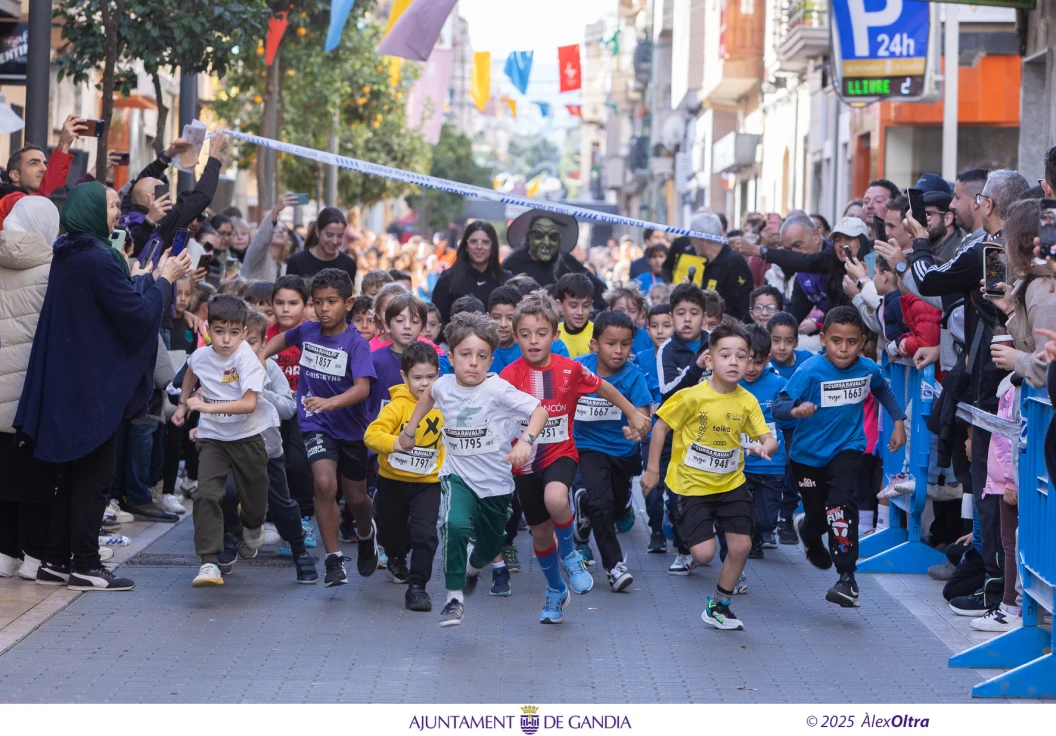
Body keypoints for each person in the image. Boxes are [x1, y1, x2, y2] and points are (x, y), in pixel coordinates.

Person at [15, 181, 192, 591]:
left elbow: (119, 304)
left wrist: (145, 280)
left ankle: (56, 561)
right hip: (90, 391)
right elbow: (135, 316)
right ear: (93, 211)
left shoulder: (71, 253)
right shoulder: (95, 258)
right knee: (94, 481)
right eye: (111, 206)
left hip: (70, 384)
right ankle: (86, 565)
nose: (117, 214)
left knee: (72, 478)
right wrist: (164, 280)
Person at [907, 169, 1030, 616]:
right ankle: (989, 571)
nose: (961, 207)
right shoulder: (1001, 248)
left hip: (996, 382)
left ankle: (998, 586)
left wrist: (919, 243)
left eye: (965, 198)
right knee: (986, 480)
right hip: (992, 379)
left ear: (987, 203)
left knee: (992, 483)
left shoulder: (989, 247)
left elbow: (928, 280)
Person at [500, 292, 652, 621]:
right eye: (524, 335)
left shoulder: (570, 369)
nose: (533, 341)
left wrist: (632, 414)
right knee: (540, 533)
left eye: (541, 334)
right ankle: (556, 590)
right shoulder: (509, 377)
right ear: (515, 338)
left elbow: (605, 388)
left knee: (557, 498)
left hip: (561, 452)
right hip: (524, 465)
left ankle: (570, 555)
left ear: (555, 335)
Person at [397, 312, 549, 627]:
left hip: (496, 485)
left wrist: (525, 442)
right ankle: (453, 598)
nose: (473, 363)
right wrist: (410, 430)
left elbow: (539, 410)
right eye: (465, 355)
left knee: (491, 546)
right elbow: (428, 395)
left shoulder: (497, 390)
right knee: (453, 524)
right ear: (450, 357)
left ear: (491, 359)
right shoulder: (444, 386)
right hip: (458, 477)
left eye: (482, 356)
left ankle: (471, 569)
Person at [642, 322, 778, 631]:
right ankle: (676, 514)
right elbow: (661, 426)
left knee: (741, 546)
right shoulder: (692, 397)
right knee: (703, 554)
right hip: (691, 486)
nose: (734, 362)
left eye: (741, 356)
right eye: (726, 355)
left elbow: (766, 436)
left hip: (731, 483)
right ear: (709, 359)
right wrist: (652, 470)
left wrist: (764, 447)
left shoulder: (747, 401)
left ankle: (719, 605)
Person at [772, 306, 907, 608]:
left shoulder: (867, 368)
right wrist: (795, 410)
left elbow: (882, 389)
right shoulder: (809, 372)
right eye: (836, 341)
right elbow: (778, 406)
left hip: (847, 449)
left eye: (850, 342)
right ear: (822, 339)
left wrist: (898, 421)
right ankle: (808, 530)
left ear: (862, 342)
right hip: (806, 457)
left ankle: (847, 577)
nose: (843, 349)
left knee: (840, 507)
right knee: (819, 518)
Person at [259, 268, 378, 588]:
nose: (324, 309)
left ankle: (367, 535)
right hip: (315, 423)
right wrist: (262, 356)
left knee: (356, 497)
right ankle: (333, 559)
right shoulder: (308, 331)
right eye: (318, 302)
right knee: (324, 484)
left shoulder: (356, 343)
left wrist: (333, 402)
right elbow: (284, 337)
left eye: (332, 302)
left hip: (351, 428)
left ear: (348, 303)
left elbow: (363, 388)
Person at [171, 295, 270, 587]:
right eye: (219, 331)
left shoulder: (245, 358)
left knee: (255, 501)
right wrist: (182, 405)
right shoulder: (202, 355)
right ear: (207, 329)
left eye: (234, 332)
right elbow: (191, 370)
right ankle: (209, 562)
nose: (226, 340)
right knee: (205, 495)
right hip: (212, 437)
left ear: (242, 331)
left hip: (246, 437)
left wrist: (205, 407)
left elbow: (249, 403)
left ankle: (252, 525)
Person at [0, 197, 60, 581]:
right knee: (37, 477)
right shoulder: (53, 268)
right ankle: (35, 556)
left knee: (3, 475)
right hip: (33, 392)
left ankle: (5, 553)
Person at [573, 311, 653, 591]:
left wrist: (638, 430)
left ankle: (584, 509)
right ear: (594, 345)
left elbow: (643, 417)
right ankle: (614, 566)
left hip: (622, 452)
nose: (618, 351)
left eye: (626, 344)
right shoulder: (578, 369)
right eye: (611, 343)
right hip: (586, 447)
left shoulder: (634, 377)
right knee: (601, 503)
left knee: (616, 508)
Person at [363, 341, 445, 612]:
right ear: (404, 377)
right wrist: (396, 443)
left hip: (428, 483)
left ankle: (418, 588)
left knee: (425, 534)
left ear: (439, 375)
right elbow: (372, 435)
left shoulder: (445, 404)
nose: (424, 384)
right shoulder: (397, 406)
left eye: (430, 377)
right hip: (392, 481)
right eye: (417, 378)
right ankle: (394, 553)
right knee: (392, 533)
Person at [119, 135, 226, 257]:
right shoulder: (163, 222)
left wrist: (166, 156)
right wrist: (214, 155)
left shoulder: (124, 212)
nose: (168, 200)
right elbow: (200, 198)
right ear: (151, 199)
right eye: (163, 194)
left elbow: (138, 183)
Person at [739, 325, 790, 555]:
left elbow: (789, 418)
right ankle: (749, 539)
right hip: (740, 464)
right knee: (741, 508)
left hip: (771, 463)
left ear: (767, 359)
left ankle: (760, 533)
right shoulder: (731, 382)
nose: (750, 369)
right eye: (746, 360)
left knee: (768, 519)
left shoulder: (779, 384)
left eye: (757, 362)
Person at [501, 209, 607, 310]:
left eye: (552, 236)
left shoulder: (566, 263)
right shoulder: (513, 263)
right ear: (529, 238)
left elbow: (598, 289)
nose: (546, 242)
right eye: (539, 235)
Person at [665, 212, 753, 319]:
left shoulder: (734, 263)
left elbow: (743, 308)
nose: (691, 244)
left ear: (701, 240)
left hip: (730, 330)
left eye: (692, 239)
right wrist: (695, 292)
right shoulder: (710, 263)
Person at [430, 221, 511, 325]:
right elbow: (437, 321)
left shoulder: (505, 280)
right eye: (473, 241)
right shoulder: (448, 279)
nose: (479, 246)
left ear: (493, 246)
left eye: (485, 242)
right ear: (466, 245)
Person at [1, 115, 87, 200]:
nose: (44, 169)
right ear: (15, 175)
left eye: (45, 164)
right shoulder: (9, 200)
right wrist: (63, 144)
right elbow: (47, 200)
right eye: (34, 163)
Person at [285, 207, 357, 283]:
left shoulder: (349, 264)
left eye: (340, 236)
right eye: (329, 235)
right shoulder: (296, 262)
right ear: (317, 231)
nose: (334, 241)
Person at [242, 193, 299, 281]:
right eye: (275, 228)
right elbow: (261, 239)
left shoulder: (284, 266)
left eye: (284, 229)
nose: (280, 231)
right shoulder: (256, 256)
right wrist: (275, 211)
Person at [555, 273, 595, 359]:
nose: (580, 312)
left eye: (585, 305)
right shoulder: (553, 335)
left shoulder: (598, 334)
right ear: (560, 305)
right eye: (573, 306)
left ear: (591, 305)